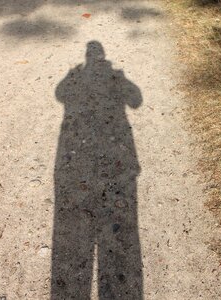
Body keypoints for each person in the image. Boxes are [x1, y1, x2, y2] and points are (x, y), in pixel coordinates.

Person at [51, 41, 143, 299]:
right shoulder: (114, 75)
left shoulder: (78, 75)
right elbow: (136, 100)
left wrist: (72, 76)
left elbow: (60, 95)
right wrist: (121, 79)